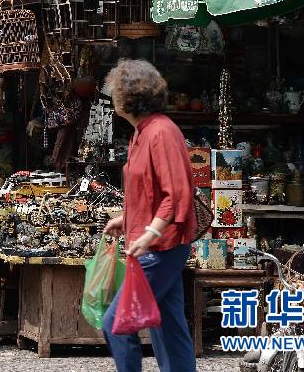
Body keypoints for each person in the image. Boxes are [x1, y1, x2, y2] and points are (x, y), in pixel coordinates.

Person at [101, 59, 196, 372]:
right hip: (155, 242)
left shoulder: (160, 132)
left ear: (128, 96)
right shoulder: (141, 133)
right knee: (169, 328)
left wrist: (150, 233)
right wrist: (126, 220)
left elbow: (176, 193)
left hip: (161, 247)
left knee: (117, 322)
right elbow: (148, 191)